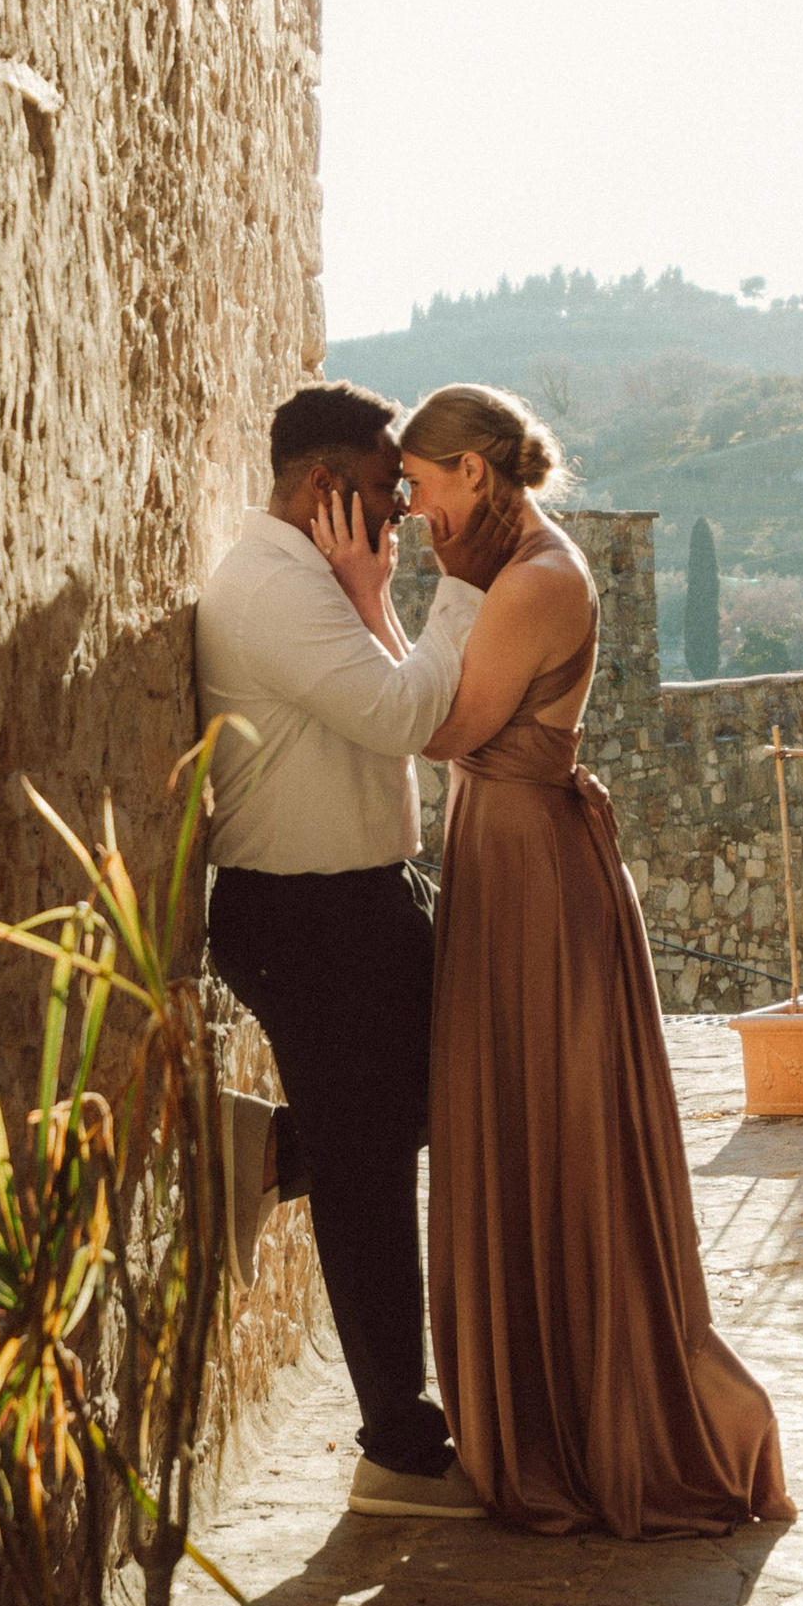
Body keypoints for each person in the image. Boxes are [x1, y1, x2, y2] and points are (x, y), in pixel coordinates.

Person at [315, 380, 792, 1540]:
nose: (411, 511)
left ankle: (582, 1420)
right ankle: (538, 1409)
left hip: (533, 871)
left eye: (418, 488)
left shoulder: (533, 580)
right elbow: (443, 715)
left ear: (474, 473)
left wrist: (372, 599)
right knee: (514, 1122)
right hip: (507, 854)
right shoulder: (513, 570)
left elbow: (441, 728)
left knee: (550, 1126)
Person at [196, 382, 515, 1520]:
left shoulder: (314, 582)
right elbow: (403, 719)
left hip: (358, 903)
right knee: (372, 1179)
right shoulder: (271, 591)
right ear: (325, 487)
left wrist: (376, 597)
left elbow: (399, 711)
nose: (402, 513)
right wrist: (459, 588)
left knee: (449, 1097)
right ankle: (397, 1450)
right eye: (387, 491)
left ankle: (273, 1151)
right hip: (307, 918)